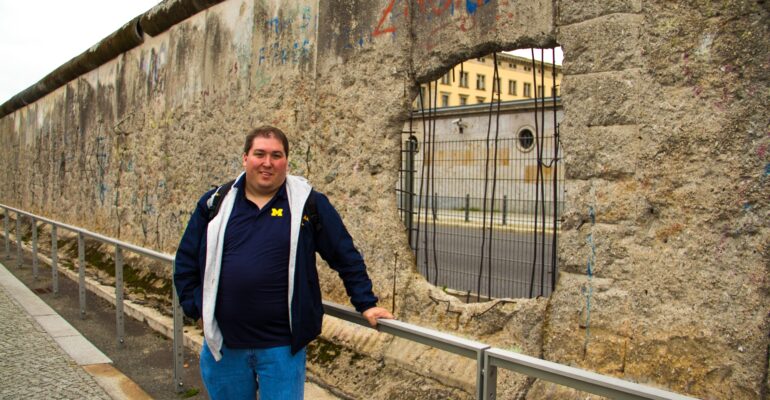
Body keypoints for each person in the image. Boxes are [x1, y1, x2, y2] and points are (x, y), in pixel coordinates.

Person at [173, 125, 394, 399]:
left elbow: (344, 254)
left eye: (276, 155)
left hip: (281, 349)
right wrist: (196, 308)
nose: (267, 163)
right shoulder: (215, 203)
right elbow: (185, 261)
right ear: (245, 158)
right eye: (260, 154)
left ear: (286, 161)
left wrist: (366, 303)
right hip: (224, 346)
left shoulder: (308, 204)